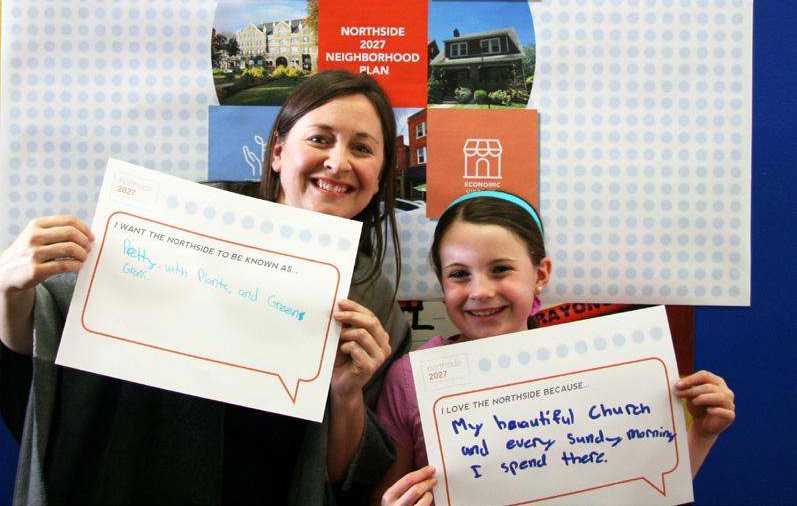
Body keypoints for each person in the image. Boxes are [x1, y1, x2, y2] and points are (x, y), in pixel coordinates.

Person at [0, 69, 411, 505]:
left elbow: (345, 479)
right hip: (133, 482)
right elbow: (47, 343)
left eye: (362, 148)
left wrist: (345, 396)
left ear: (380, 175)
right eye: (320, 139)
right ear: (278, 153)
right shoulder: (186, 222)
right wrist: (10, 289)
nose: (338, 162)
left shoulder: (371, 297)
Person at [374, 191, 736, 506]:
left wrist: (703, 433)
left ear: (541, 274)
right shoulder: (410, 377)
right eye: (459, 274)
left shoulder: (597, 365)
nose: (480, 291)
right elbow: (387, 492)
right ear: (441, 281)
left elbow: (647, 491)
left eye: (500, 269)